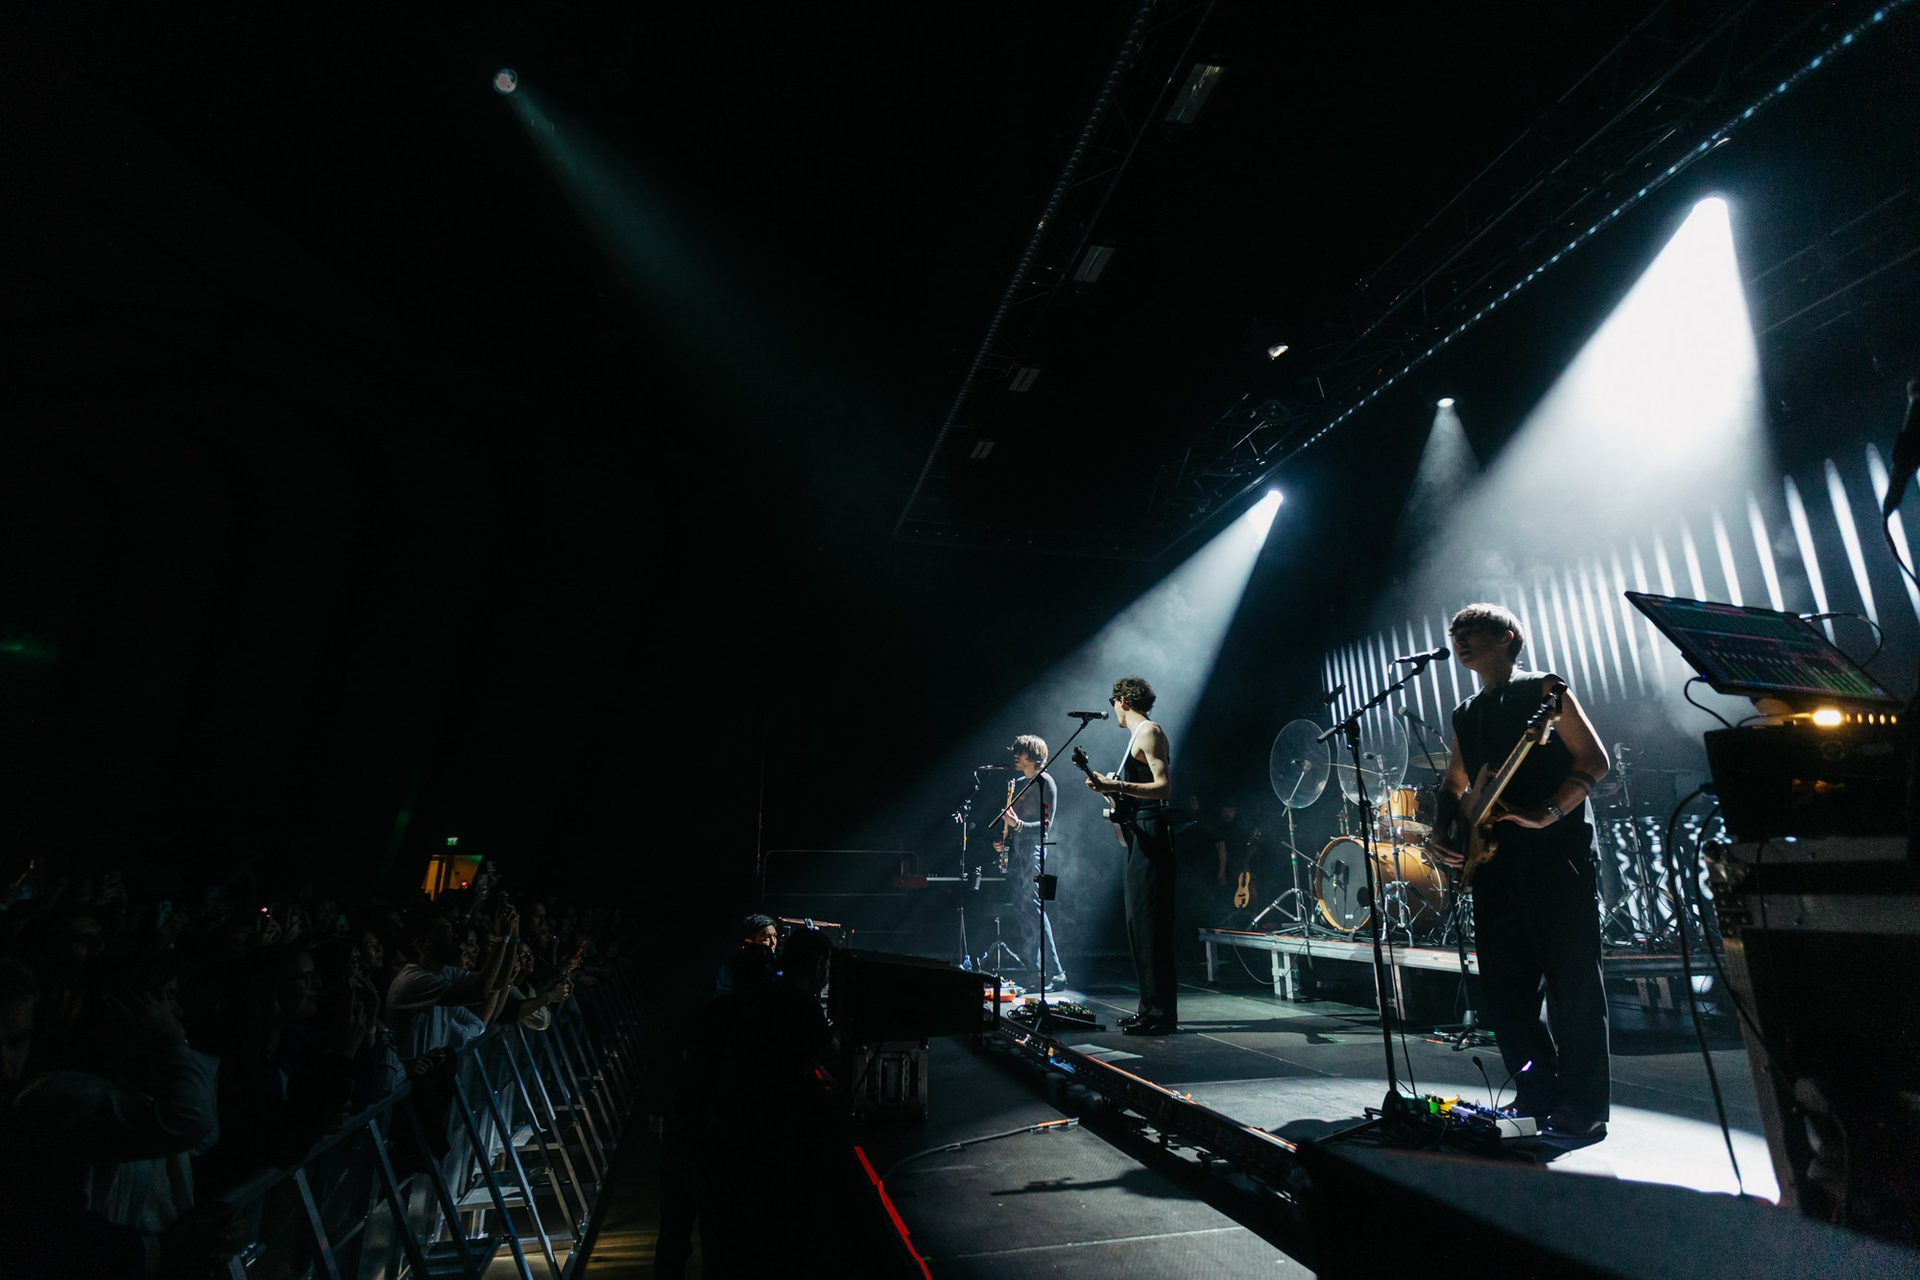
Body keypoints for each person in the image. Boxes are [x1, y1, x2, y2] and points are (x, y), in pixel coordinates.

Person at [1426, 602, 1612, 1140]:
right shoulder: (1467, 711)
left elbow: (1595, 760)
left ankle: (1584, 1106)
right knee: (1506, 990)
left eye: (1470, 630)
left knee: (1572, 985)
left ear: (1507, 636)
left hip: (1557, 856)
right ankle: (1535, 1095)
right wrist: (1444, 830)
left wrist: (1548, 812)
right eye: (1454, 632)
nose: (1459, 639)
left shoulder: (1544, 690)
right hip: (1492, 861)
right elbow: (1454, 782)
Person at [1082, 677, 1177, 1035]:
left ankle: (1161, 1015)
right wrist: (1108, 789)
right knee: (1139, 924)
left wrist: (1116, 785)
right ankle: (1148, 1008)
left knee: (1151, 924)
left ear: (1122, 701)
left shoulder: (1149, 731)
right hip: (1139, 831)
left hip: (1152, 831)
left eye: (1113, 703)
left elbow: (1164, 787)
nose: (1113, 711)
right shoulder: (1136, 736)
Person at [991, 734, 1066, 991]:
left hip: (1033, 851)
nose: (1016, 755)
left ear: (1034, 755)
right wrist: (1003, 841)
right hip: (1017, 851)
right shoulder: (1019, 784)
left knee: (1034, 909)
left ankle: (1056, 972)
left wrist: (1018, 825)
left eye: (1021, 752)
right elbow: (1012, 825)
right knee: (1022, 910)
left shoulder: (1045, 783)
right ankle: (1034, 971)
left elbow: (1045, 827)